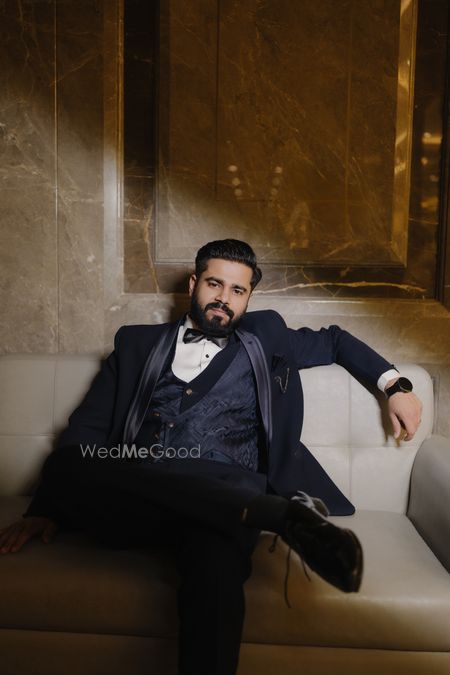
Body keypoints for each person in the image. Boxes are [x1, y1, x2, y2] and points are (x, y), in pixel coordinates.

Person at [0, 239, 422, 675]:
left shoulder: (267, 336)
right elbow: (86, 430)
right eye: (214, 284)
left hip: (225, 493)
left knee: (216, 565)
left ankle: (249, 510)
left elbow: (334, 341)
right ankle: (273, 515)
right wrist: (45, 508)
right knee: (69, 463)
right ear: (193, 284)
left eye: (237, 290)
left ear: (249, 298)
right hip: (141, 500)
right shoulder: (135, 344)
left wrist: (396, 386)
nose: (224, 298)